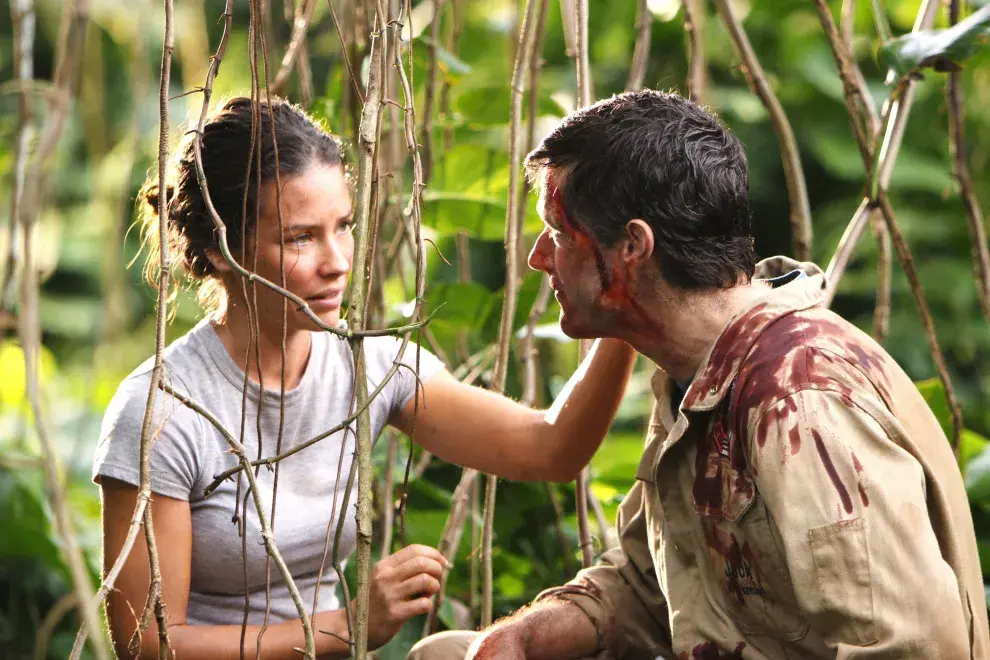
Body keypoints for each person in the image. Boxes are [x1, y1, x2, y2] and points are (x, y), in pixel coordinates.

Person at [408, 90, 989, 659]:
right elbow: (652, 580)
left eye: (558, 234)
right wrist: (530, 634)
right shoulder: (700, 371)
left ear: (633, 246)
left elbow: (914, 649)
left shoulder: (798, 401)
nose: (539, 258)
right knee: (448, 654)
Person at [94, 96, 637, 659]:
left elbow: (549, 448)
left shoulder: (370, 368)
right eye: (300, 237)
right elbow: (148, 643)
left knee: (453, 653)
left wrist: (624, 302)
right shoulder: (162, 410)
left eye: (343, 227)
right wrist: (347, 626)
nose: (337, 261)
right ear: (221, 249)